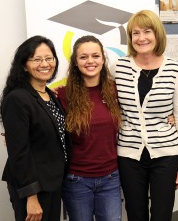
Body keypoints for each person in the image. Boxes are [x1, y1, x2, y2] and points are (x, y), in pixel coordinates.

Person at [110, 10, 178, 221]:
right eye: (135, 33)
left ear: (157, 35)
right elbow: (98, 95)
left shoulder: (174, 69)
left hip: (166, 153)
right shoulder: (118, 67)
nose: (141, 38)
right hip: (129, 154)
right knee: (136, 214)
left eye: (147, 31)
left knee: (162, 215)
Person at [0, 35, 70, 221]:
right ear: (24, 65)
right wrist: (31, 196)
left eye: (49, 58)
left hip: (52, 182)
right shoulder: (17, 99)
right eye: (36, 59)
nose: (44, 64)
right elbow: (19, 152)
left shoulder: (49, 95)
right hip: (33, 187)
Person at [57, 35, 122, 220]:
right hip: (77, 180)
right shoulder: (62, 94)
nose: (90, 61)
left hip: (111, 177)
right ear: (75, 62)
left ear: (103, 59)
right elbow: (44, 124)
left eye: (95, 55)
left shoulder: (114, 90)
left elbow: (141, 112)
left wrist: (171, 116)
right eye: (83, 57)